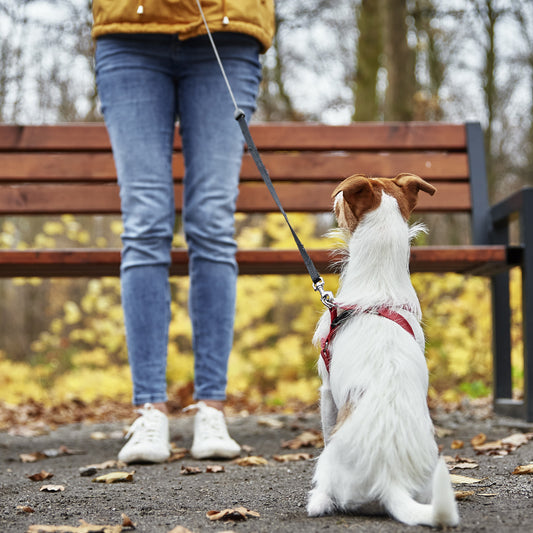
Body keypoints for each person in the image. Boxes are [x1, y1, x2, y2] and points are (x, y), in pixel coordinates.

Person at [91, 0, 275, 462]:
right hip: (127, 29)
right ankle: (149, 411)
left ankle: (210, 407)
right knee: (145, 222)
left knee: (212, 223)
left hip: (227, 30)